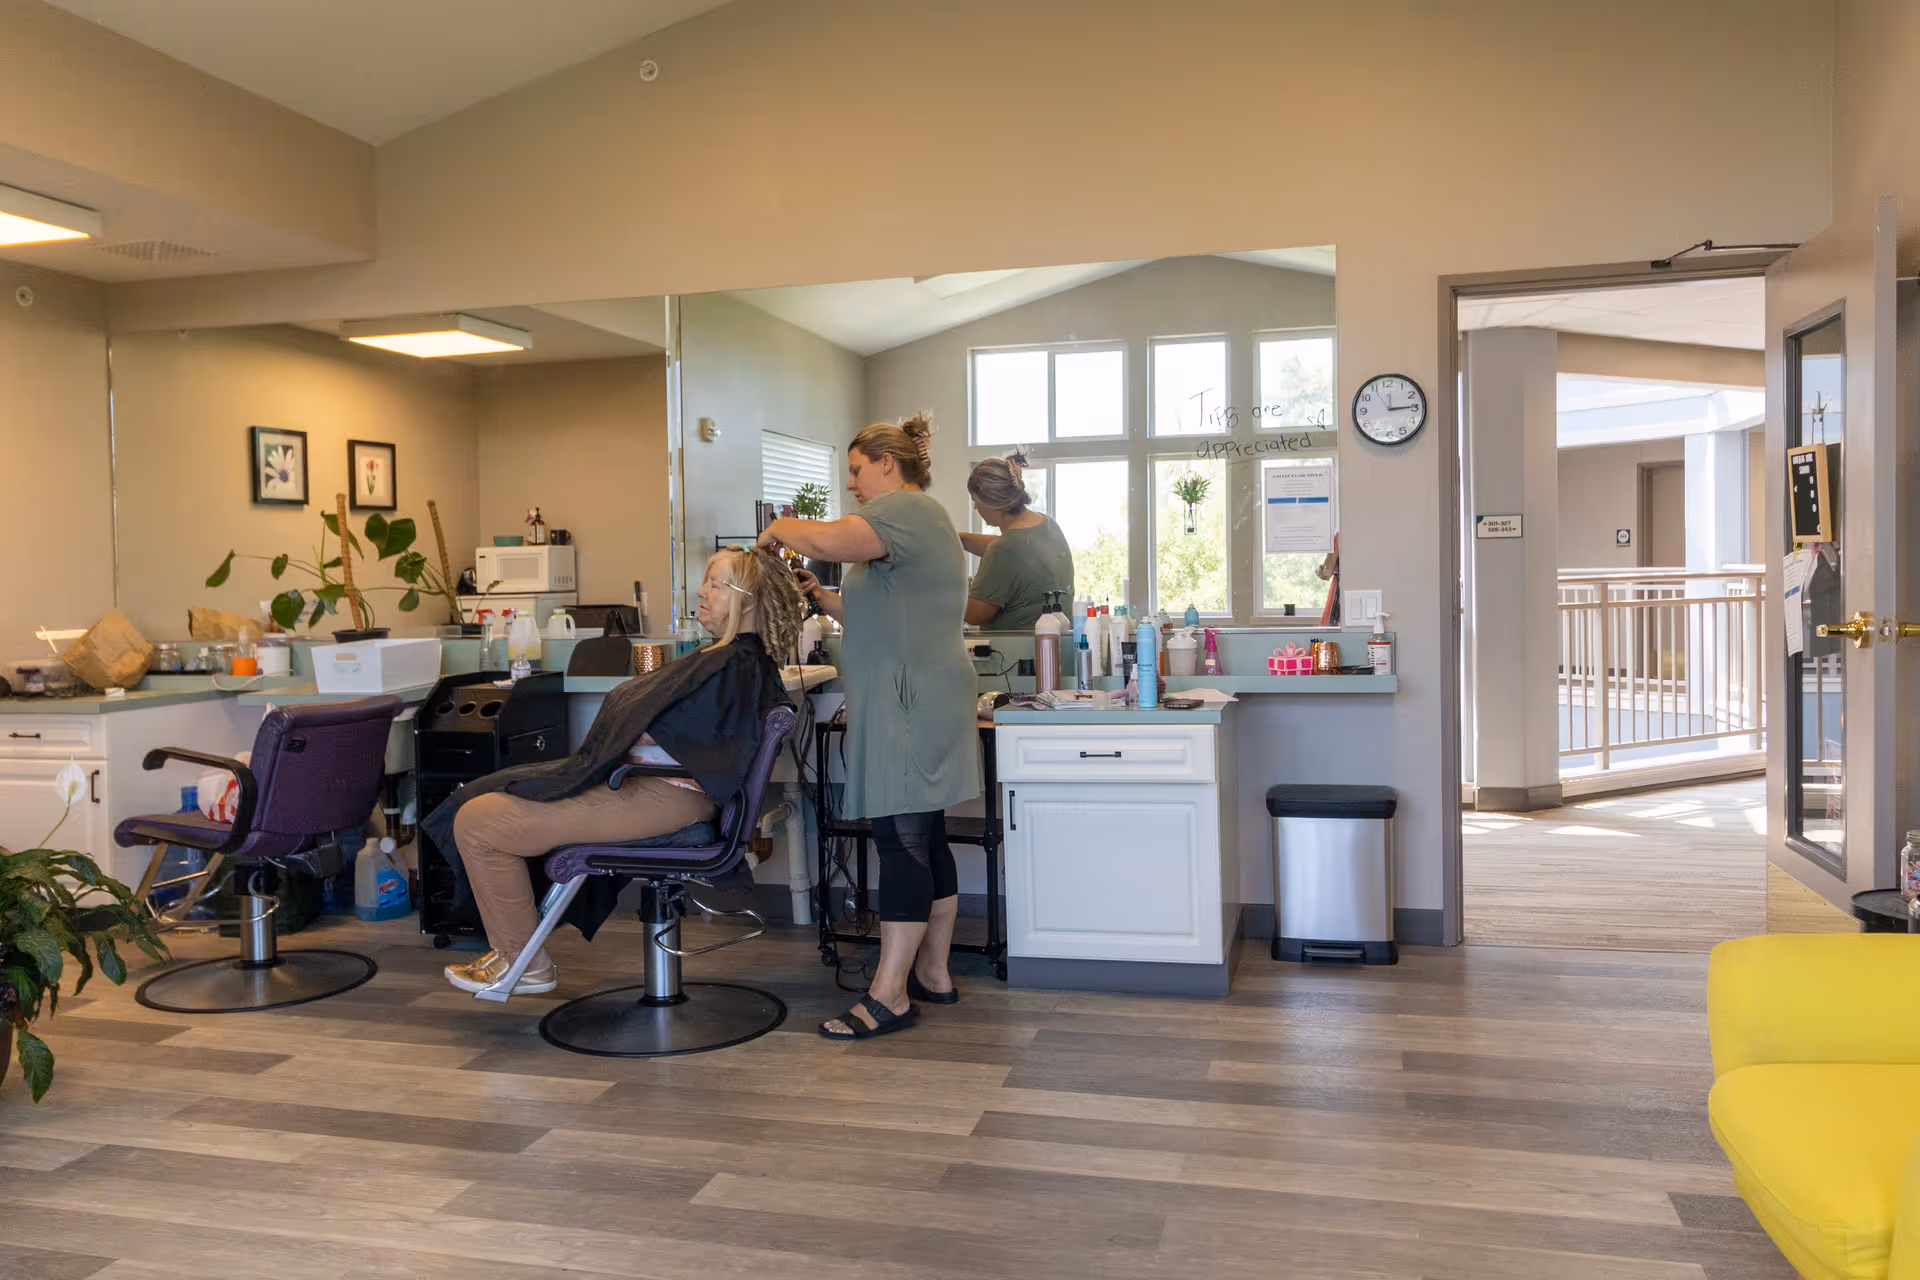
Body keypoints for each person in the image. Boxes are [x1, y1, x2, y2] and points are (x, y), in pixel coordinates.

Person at [423, 546, 804, 995]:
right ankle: (514, 949)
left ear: (747, 599)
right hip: (653, 790)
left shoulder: (735, 665)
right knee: (486, 797)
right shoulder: (730, 661)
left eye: (716, 585)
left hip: (664, 796)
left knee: (481, 822)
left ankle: (524, 961)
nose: (701, 591)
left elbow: (698, 742)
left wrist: (628, 726)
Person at [759, 413, 981, 1040]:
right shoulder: (921, 521)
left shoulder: (905, 511)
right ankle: (932, 974)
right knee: (926, 834)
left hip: (907, 699)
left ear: (888, 463)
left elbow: (830, 540)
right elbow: (889, 611)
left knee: (901, 840)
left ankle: (889, 996)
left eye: (856, 469)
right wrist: (824, 598)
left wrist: (778, 526)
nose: (852, 482)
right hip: (923, 691)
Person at [958, 453, 1075, 630]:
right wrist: (958, 539)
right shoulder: (1048, 525)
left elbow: (974, 615)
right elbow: (1014, 549)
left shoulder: (1004, 550)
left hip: (1016, 653)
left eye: (976, 501)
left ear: (991, 502)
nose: (975, 508)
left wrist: (945, 588)